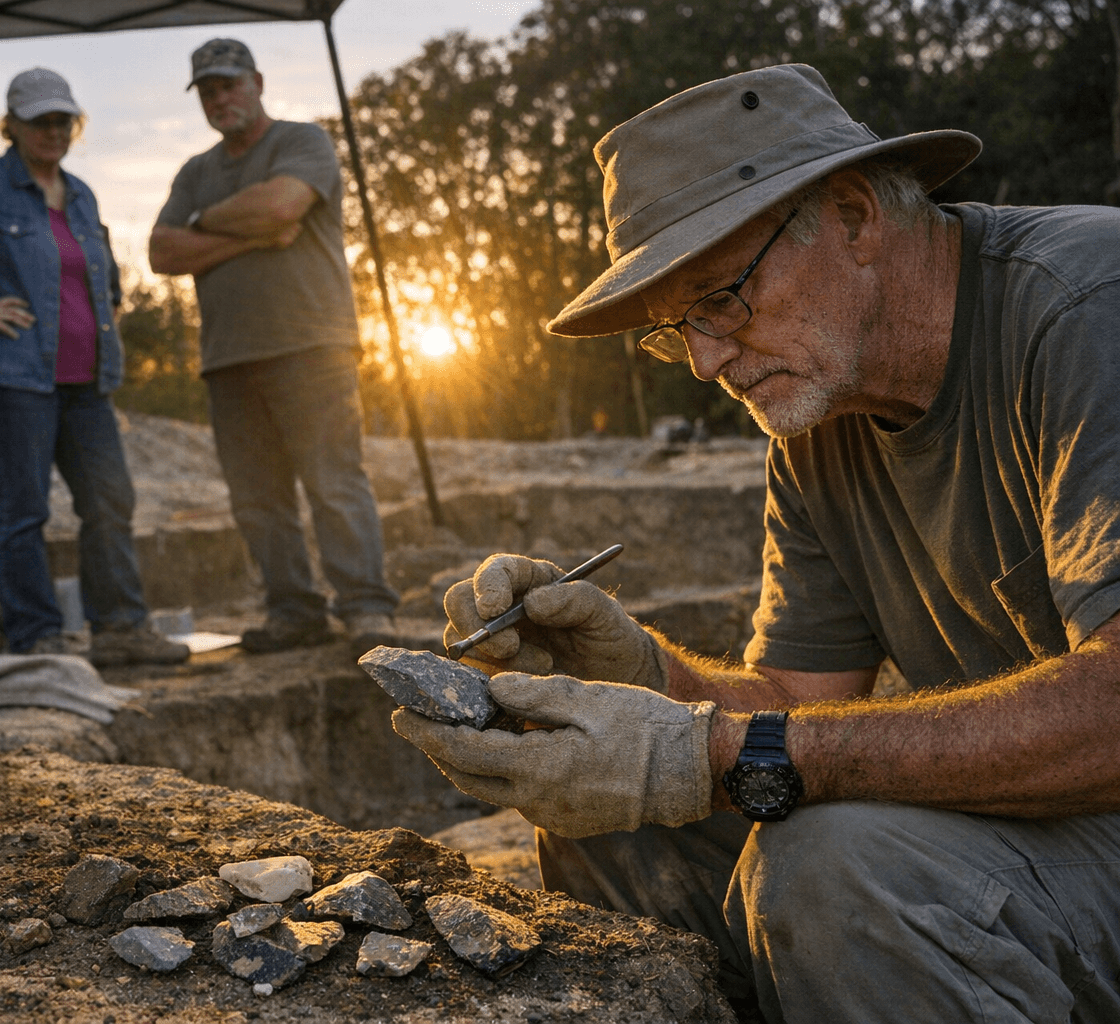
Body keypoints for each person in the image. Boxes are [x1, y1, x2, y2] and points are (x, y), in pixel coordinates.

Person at [391, 63, 1120, 1023]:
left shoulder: (1085, 309)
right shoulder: (819, 413)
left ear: (855, 216)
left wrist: (721, 750)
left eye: (721, 297)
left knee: (831, 865)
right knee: (614, 823)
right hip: (1045, 815)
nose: (705, 360)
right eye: (673, 331)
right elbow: (794, 708)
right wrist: (643, 676)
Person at [0, 67, 187, 665]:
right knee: (24, 509)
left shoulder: (81, 195)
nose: (52, 130)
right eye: (39, 120)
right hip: (10, 378)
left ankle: (120, 628)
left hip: (87, 382)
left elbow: (107, 279)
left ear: (75, 125)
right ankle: (37, 636)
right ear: (12, 125)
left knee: (110, 500)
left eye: (62, 120)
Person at [148, 38, 400, 656]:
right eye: (207, 90)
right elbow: (161, 252)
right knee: (257, 499)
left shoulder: (301, 142)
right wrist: (246, 235)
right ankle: (293, 612)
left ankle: (367, 609)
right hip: (228, 358)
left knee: (333, 481)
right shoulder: (195, 173)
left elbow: (284, 205)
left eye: (229, 84)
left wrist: (202, 223)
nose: (220, 98)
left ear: (257, 81)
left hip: (311, 345)